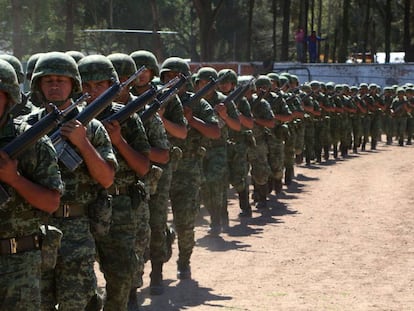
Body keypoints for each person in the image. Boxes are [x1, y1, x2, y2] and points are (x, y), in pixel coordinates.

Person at [25, 51, 118, 310]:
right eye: (48, 80)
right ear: (38, 85)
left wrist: (83, 143)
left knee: (76, 303)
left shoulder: (92, 127)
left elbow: (107, 178)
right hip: (36, 229)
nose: (54, 85)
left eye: (61, 80)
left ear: (73, 84)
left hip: (75, 230)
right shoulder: (24, 126)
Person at [79, 53, 150, 311]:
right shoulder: (67, 121)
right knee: (77, 285)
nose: (92, 91)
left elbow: (144, 167)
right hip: (80, 210)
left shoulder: (127, 116)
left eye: (100, 85)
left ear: (112, 86)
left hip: (119, 206)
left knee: (120, 278)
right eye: (86, 85)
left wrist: (119, 140)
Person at [0, 59, 63, 311]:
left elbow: (51, 202)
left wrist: (14, 179)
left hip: (18, 264)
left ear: (9, 99)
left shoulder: (32, 141)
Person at [129, 50, 187, 298]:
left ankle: (156, 273)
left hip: (159, 171)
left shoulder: (167, 98)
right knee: (131, 227)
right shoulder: (122, 99)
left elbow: (182, 132)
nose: (141, 75)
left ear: (153, 72)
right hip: (131, 170)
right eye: (136, 70)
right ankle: (132, 283)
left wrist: (161, 119)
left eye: (146, 70)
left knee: (156, 222)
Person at [160, 57, 220, 279]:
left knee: (185, 222)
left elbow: (215, 132)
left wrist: (191, 119)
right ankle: (162, 251)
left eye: (177, 77)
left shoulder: (198, 103)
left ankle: (184, 260)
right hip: (159, 170)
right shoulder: (157, 101)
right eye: (168, 77)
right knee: (155, 223)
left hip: (187, 171)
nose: (172, 81)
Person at [194, 66, 241, 235]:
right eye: (202, 82)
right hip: (198, 150)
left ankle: (216, 220)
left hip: (219, 149)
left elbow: (237, 126)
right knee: (204, 186)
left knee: (216, 183)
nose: (205, 86)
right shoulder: (194, 102)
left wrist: (225, 116)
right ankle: (219, 214)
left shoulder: (224, 101)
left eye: (209, 83)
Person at [218, 70, 254, 218]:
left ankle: (245, 207)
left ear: (233, 84)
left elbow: (249, 123)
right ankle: (222, 216)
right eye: (221, 82)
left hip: (238, 145)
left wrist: (234, 113)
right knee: (220, 181)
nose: (223, 85)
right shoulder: (215, 99)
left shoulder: (241, 101)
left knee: (239, 179)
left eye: (226, 82)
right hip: (220, 145)